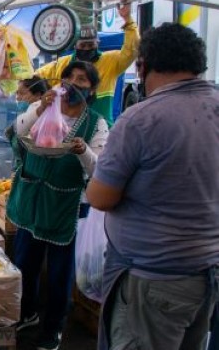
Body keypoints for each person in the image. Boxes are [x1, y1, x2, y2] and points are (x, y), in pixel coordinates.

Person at [86, 23, 218, 350]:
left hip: (152, 279)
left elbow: (101, 197)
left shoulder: (141, 119)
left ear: (143, 66)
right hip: (206, 274)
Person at [7, 61, 109, 350]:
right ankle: (27, 313)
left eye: (82, 80)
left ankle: (53, 329)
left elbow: (99, 169)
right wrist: (40, 108)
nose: (73, 84)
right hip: (31, 199)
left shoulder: (96, 123)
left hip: (66, 207)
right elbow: (18, 131)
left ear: (91, 91)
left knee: (59, 276)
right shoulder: (43, 108)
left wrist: (82, 150)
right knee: (24, 264)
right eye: (69, 77)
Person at [37, 2, 139, 126]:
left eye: (91, 45)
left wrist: (128, 20)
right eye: (83, 45)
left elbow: (132, 50)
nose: (86, 49)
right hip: (66, 131)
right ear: (75, 45)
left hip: (100, 129)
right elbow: (35, 78)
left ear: (97, 43)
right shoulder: (62, 64)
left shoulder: (111, 60)